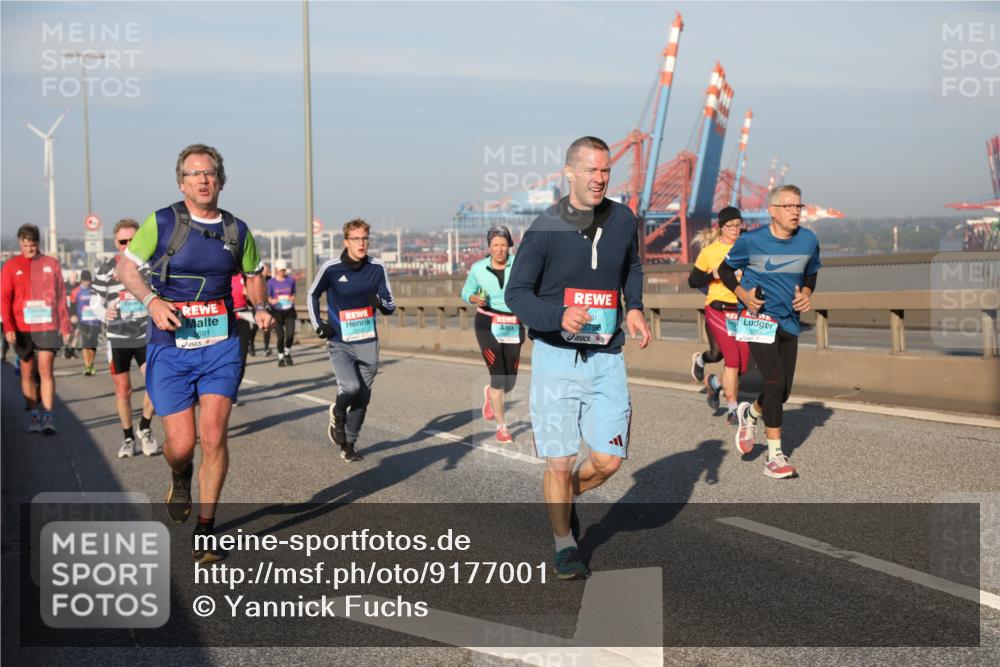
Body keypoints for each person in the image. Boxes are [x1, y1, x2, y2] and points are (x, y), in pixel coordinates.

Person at [118, 143, 273, 562]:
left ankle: (207, 531)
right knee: (182, 445)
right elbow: (127, 268)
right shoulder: (163, 222)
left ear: (221, 180)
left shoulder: (237, 230)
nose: (203, 180)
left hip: (221, 344)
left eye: (209, 173)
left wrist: (260, 308)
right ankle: (179, 473)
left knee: (214, 435)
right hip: (171, 346)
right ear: (181, 181)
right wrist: (152, 301)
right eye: (193, 174)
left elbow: (255, 274)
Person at [506, 136, 651, 580]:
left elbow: (632, 266)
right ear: (569, 172)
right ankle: (565, 543)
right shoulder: (544, 229)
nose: (599, 179)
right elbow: (516, 294)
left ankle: (562, 499)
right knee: (560, 459)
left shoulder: (624, 219)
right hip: (556, 358)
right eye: (591, 170)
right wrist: (558, 316)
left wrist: (635, 306)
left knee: (609, 461)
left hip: (607, 356)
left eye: (606, 171)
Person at [718, 185, 821, 478]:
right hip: (757, 318)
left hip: (789, 319)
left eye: (799, 207)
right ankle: (775, 457)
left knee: (783, 391)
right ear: (772, 211)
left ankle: (751, 413)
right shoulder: (751, 241)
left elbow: (811, 271)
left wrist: (808, 292)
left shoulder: (809, 240)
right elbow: (725, 271)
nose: (795, 212)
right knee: (774, 381)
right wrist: (743, 294)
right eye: (788, 207)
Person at [308, 218, 396, 463]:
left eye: (365, 238)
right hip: (340, 342)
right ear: (346, 242)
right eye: (356, 239)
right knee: (351, 388)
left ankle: (349, 443)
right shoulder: (332, 268)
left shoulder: (377, 268)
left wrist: (380, 303)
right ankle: (337, 411)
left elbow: (391, 305)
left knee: (362, 399)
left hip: (368, 343)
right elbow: (312, 294)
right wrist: (319, 325)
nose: (362, 243)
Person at [93, 218, 160, 458]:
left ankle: (145, 426)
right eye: (123, 241)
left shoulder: (151, 266)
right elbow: (95, 302)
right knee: (123, 391)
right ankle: (128, 437)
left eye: (133, 239)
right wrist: (104, 313)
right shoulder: (106, 268)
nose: (128, 244)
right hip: (118, 338)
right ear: (116, 242)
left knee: (154, 382)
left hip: (146, 334)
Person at [1, 223, 72, 434]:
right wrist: (8, 327)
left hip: (47, 325)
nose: (28, 249)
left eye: (31, 245)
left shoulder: (51, 264)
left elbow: (61, 296)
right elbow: (4, 299)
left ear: (37, 243)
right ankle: (34, 415)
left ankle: (48, 416)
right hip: (22, 327)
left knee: (46, 368)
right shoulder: (11, 266)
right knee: (27, 372)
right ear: (20, 244)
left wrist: (65, 326)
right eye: (24, 246)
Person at [687, 206, 749, 424]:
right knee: (730, 358)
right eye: (730, 225)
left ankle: (714, 383)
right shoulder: (710, 252)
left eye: (738, 225)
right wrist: (712, 275)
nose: (735, 229)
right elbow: (693, 281)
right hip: (718, 308)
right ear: (721, 228)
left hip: (742, 309)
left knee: (744, 365)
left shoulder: (747, 247)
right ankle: (733, 408)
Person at [461, 226, 523, 443]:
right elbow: (465, 292)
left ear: (509, 246)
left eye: (503, 245)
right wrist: (473, 299)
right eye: (495, 245)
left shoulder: (519, 264)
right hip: (487, 323)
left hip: (513, 323)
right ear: (489, 247)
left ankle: (490, 393)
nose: (499, 249)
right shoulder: (478, 268)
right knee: (498, 377)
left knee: (509, 382)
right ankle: (502, 427)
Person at [230, 272, 259, 396]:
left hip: (242, 319)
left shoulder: (244, 276)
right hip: (222, 320)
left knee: (241, 359)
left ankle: (233, 392)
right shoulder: (219, 273)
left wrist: (252, 296)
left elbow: (257, 299)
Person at [71, 270, 103, 375]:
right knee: (85, 343)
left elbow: (102, 302)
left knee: (93, 344)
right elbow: (72, 305)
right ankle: (87, 366)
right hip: (83, 321)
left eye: (88, 280)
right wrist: (73, 315)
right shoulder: (76, 291)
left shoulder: (96, 290)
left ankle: (91, 362)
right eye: (85, 281)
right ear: (81, 280)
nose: (87, 283)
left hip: (95, 321)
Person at [267, 259, 297, 367]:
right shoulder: (271, 282)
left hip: (289, 311)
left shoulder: (291, 280)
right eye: (280, 270)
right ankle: (280, 358)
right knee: (281, 336)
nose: (282, 272)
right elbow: (267, 298)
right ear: (276, 270)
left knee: (290, 335)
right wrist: (272, 301)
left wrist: (293, 298)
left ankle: (287, 353)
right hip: (277, 312)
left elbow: (293, 293)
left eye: (283, 270)